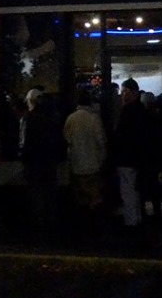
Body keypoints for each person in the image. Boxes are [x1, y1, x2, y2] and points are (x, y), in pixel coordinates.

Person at [64, 89, 109, 240]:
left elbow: (67, 140)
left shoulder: (71, 119)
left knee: (81, 199)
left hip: (77, 166)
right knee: (95, 198)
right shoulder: (94, 119)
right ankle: (96, 229)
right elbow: (101, 141)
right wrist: (102, 159)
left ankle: (82, 230)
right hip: (93, 165)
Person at [22, 87, 66, 239]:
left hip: (35, 162)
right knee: (49, 193)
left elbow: (26, 143)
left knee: (36, 194)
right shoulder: (53, 117)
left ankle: (38, 226)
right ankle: (51, 224)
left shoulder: (29, 118)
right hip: (49, 162)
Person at [113, 78, 154, 232]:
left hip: (127, 159)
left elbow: (123, 137)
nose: (123, 95)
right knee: (134, 194)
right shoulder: (141, 111)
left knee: (129, 194)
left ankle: (131, 225)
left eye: (126, 92)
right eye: (122, 92)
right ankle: (136, 221)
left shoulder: (128, 112)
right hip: (136, 160)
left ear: (135, 93)